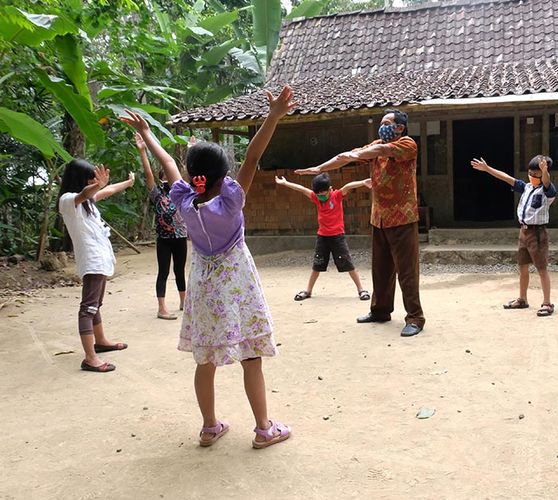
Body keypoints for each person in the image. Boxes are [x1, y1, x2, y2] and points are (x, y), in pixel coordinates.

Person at [120, 86, 296, 448]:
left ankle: (209, 426)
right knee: (251, 356)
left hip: (203, 286)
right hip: (237, 285)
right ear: (223, 177)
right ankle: (264, 428)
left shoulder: (185, 202)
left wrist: (148, 134)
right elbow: (252, 158)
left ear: (193, 175)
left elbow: (169, 166)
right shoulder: (231, 203)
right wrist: (274, 116)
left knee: (206, 361)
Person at [295, 109, 424, 337]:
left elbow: (383, 150)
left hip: (403, 218)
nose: (382, 126)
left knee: (406, 272)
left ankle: (415, 317)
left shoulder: (408, 144)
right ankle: (380, 310)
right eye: (381, 123)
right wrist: (320, 168)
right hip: (379, 218)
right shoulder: (373, 146)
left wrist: (360, 154)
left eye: (387, 123)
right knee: (380, 269)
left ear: (400, 127)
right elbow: (345, 156)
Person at [58, 161, 134, 372]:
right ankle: (90, 358)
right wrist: (97, 185)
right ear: (80, 179)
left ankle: (100, 342)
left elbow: (107, 190)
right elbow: (83, 193)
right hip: (92, 261)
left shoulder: (88, 203)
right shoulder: (67, 201)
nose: (94, 182)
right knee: (88, 308)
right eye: (91, 179)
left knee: (96, 305)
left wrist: (128, 183)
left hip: (100, 260)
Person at [470, 155, 557, 317]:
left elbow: (546, 182)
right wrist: (487, 169)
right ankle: (522, 299)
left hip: (537, 233)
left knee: (541, 268)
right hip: (524, 232)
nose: (532, 176)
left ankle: (547, 303)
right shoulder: (526, 187)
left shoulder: (547, 192)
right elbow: (507, 178)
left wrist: (544, 172)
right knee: (522, 266)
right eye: (530, 173)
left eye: (536, 174)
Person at [274, 172, 372, 301]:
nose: (321, 197)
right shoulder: (316, 198)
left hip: (338, 237)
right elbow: (302, 189)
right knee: (317, 265)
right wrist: (285, 183)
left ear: (330, 189)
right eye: (318, 195)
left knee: (348, 263)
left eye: (323, 195)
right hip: (322, 238)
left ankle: (361, 289)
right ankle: (308, 291)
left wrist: (363, 182)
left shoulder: (336, 196)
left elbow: (347, 186)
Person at [134, 132, 188, 320]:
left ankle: (184, 302)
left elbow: (186, 175)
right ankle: (162, 307)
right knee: (163, 272)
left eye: (169, 176)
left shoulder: (181, 192)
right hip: (164, 239)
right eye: (163, 176)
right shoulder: (156, 193)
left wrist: (190, 149)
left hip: (180, 237)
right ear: (160, 178)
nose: (167, 178)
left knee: (180, 271)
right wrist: (142, 151)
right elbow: (148, 174)